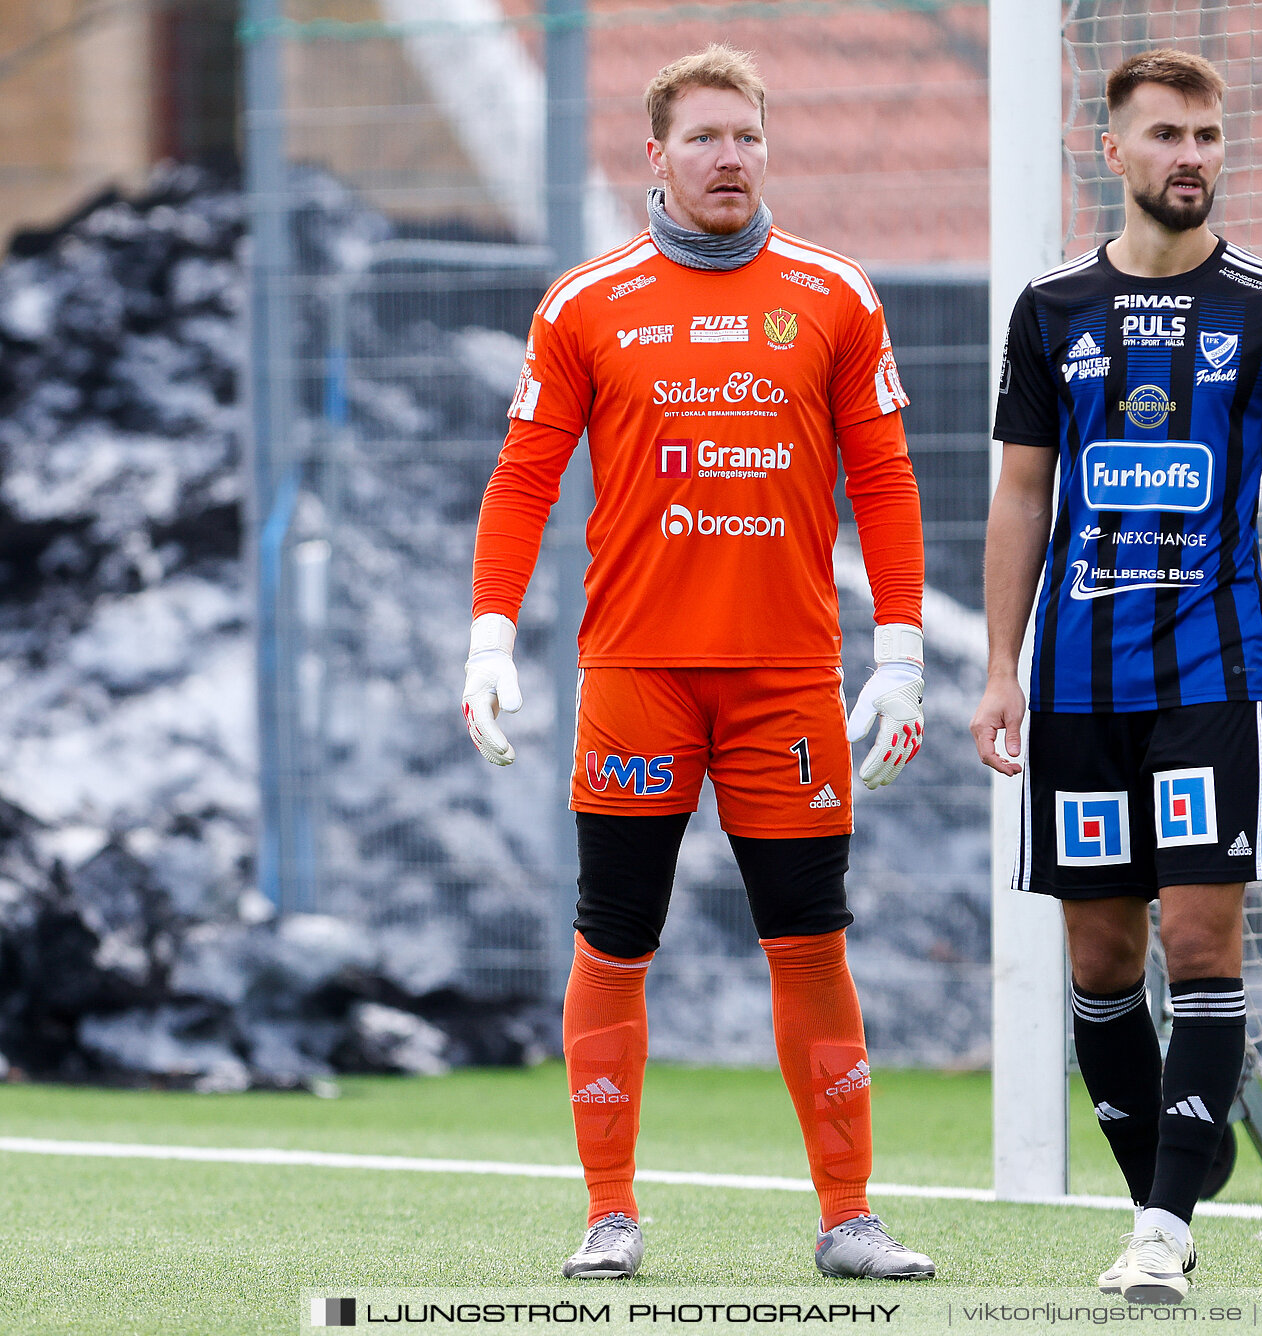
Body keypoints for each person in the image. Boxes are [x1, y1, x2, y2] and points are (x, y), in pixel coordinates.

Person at [461, 44, 934, 1284]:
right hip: (637, 676)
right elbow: (523, 479)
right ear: (655, 155)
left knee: (810, 940)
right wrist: (491, 632)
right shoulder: (584, 302)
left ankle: (848, 1217)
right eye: (708, 137)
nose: (732, 158)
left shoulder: (836, 294)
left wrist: (902, 650)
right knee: (613, 942)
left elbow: (882, 478)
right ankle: (608, 1212)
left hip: (789, 679)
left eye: (749, 138)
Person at [970, 48, 1262, 1304]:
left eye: (1209, 136)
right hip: (1074, 687)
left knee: (1198, 930)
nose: (1193, 156)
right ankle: (1161, 1191)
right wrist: (998, 669)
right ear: (1112, 151)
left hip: (1211, 674)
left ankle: (1166, 1228)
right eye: (1168, 135)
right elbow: (1024, 495)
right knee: (1099, 959)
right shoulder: (1051, 308)